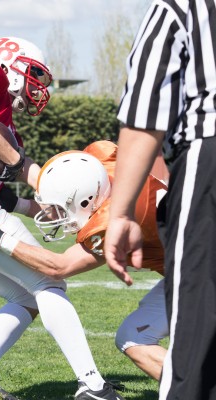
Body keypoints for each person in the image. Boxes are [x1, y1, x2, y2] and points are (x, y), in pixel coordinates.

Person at [0, 37, 124, 400]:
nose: (36, 87)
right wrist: (18, 164)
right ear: (11, 62)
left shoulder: (1, 120)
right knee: (50, 283)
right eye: (34, 74)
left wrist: (41, 206)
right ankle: (93, 385)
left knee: (25, 297)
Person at [0, 140, 168, 381]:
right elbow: (64, 178)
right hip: (193, 265)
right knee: (134, 335)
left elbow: (59, 267)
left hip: (201, 273)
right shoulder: (102, 164)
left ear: (85, 200)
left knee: (137, 338)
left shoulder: (113, 220)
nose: (57, 216)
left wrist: (0, 239)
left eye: (60, 209)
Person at [104, 1, 216, 399]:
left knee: (195, 346)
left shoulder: (179, 7)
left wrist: (119, 212)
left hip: (207, 158)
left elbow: (145, 114)